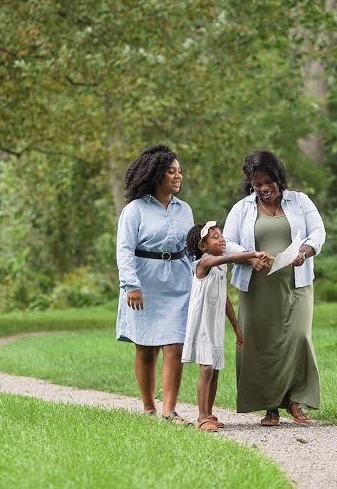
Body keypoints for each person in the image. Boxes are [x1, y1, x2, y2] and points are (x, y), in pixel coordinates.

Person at [223, 149, 326, 426]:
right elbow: (226, 243)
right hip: (257, 287)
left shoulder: (300, 202)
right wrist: (249, 257)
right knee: (260, 343)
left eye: (268, 182)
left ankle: (296, 400)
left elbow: (318, 232)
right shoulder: (242, 208)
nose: (263, 188)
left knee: (298, 337)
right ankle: (270, 407)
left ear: (278, 178)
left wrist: (304, 251)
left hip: (296, 284)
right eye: (256, 184)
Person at [115, 145, 194, 425]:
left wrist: (202, 275)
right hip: (144, 281)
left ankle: (169, 411)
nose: (178, 176)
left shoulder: (184, 210)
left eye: (179, 171)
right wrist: (130, 285)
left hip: (178, 281)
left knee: (175, 344)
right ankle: (149, 408)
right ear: (156, 174)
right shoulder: (134, 210)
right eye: (171, 171)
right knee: (146, 347)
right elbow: (124, 250)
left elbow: (192, 249)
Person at [181, 220, 272, 431]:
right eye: (215, 237)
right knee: (206, 369)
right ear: (203, 246)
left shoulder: (220, 268)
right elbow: (230, 257)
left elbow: (224, 299)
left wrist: (237, 328)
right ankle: (202, 417)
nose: (222, 239)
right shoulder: (204, 263)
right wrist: (253, 254)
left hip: (215, 324)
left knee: (215, 369)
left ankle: (209, 412)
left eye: (221, 235)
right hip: (202, 322)